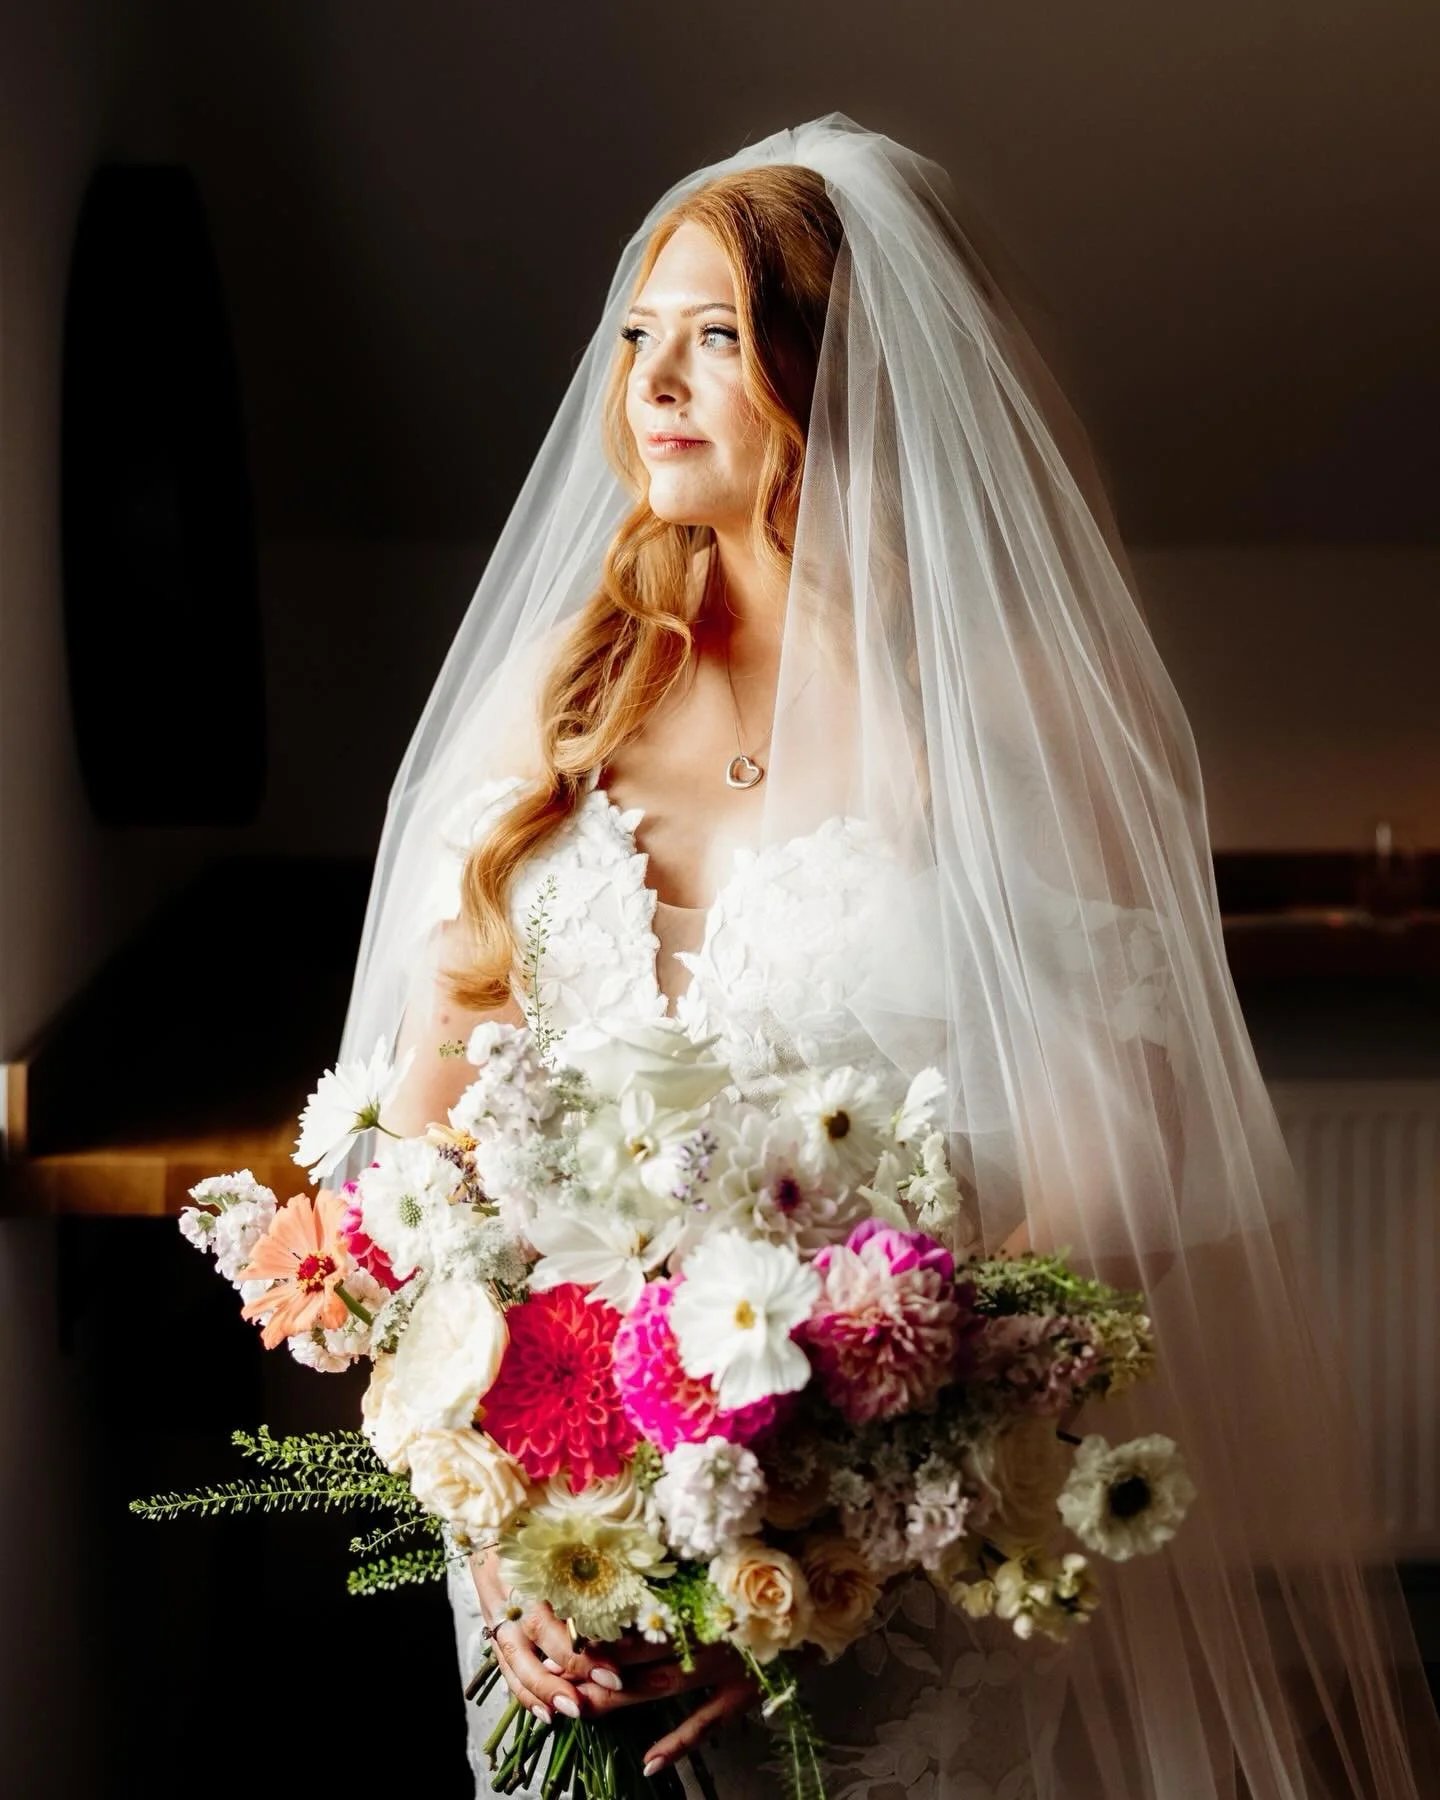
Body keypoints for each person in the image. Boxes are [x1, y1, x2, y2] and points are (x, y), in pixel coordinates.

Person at [335, 114, 1440, 1797]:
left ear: (838, 371)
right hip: (564, 1544)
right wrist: (502, 1524)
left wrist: (833, 1505)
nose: (655, 381)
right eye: (640, 336)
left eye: (717, 336)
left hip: (885, 1554)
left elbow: (1108, 1184)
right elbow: (415, 1142)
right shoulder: (572, 681)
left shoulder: (1001, 718)